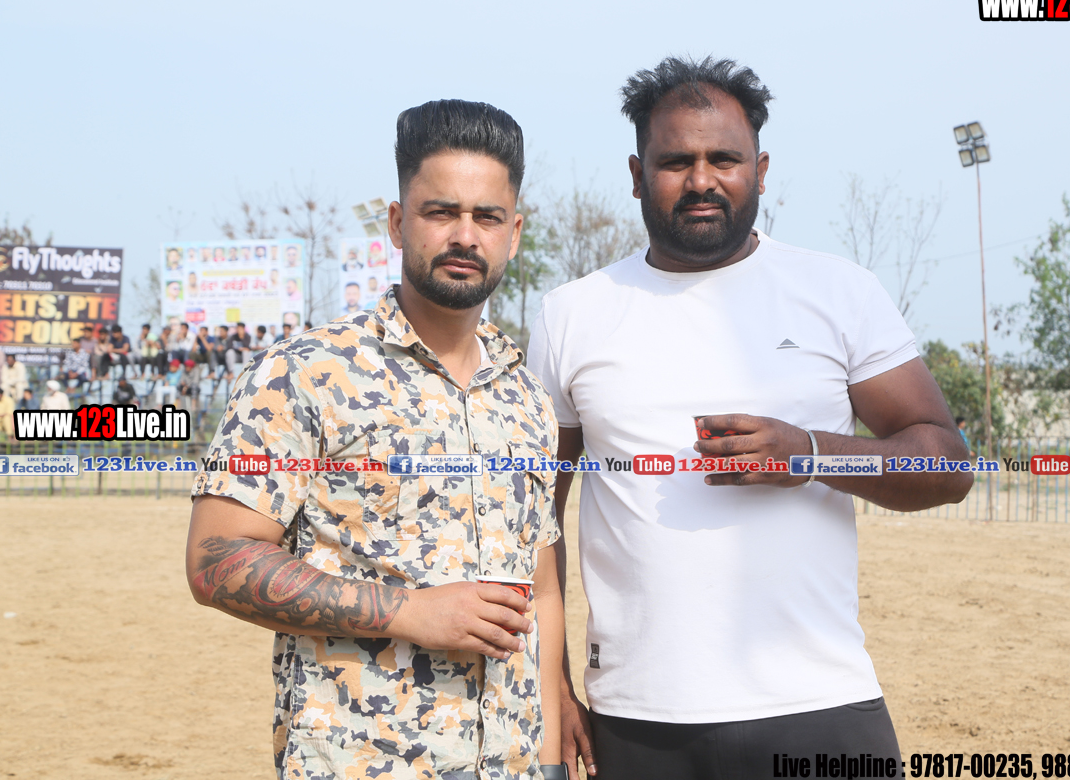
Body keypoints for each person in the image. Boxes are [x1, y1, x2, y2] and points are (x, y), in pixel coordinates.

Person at [528, 57, 972, 780]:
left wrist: (810, 454)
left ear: (761, 171)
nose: (701, 180)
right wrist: (551, 681)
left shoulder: (838, 292)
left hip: (820, 704)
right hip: (638, 719)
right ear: (637, 175)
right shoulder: (572, 314)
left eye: (724, 160)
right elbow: (532, 514)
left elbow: (946, 464)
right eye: (676, 162)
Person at [186, 98, 565, 780]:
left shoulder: (528, 397)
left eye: (486, 217)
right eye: (440, 212)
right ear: (397, 222)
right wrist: (409, 611)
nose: (465, 236)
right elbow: (216, 560)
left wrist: (552, 760)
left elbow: (542, 589)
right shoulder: (306, 372)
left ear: (514, 233)